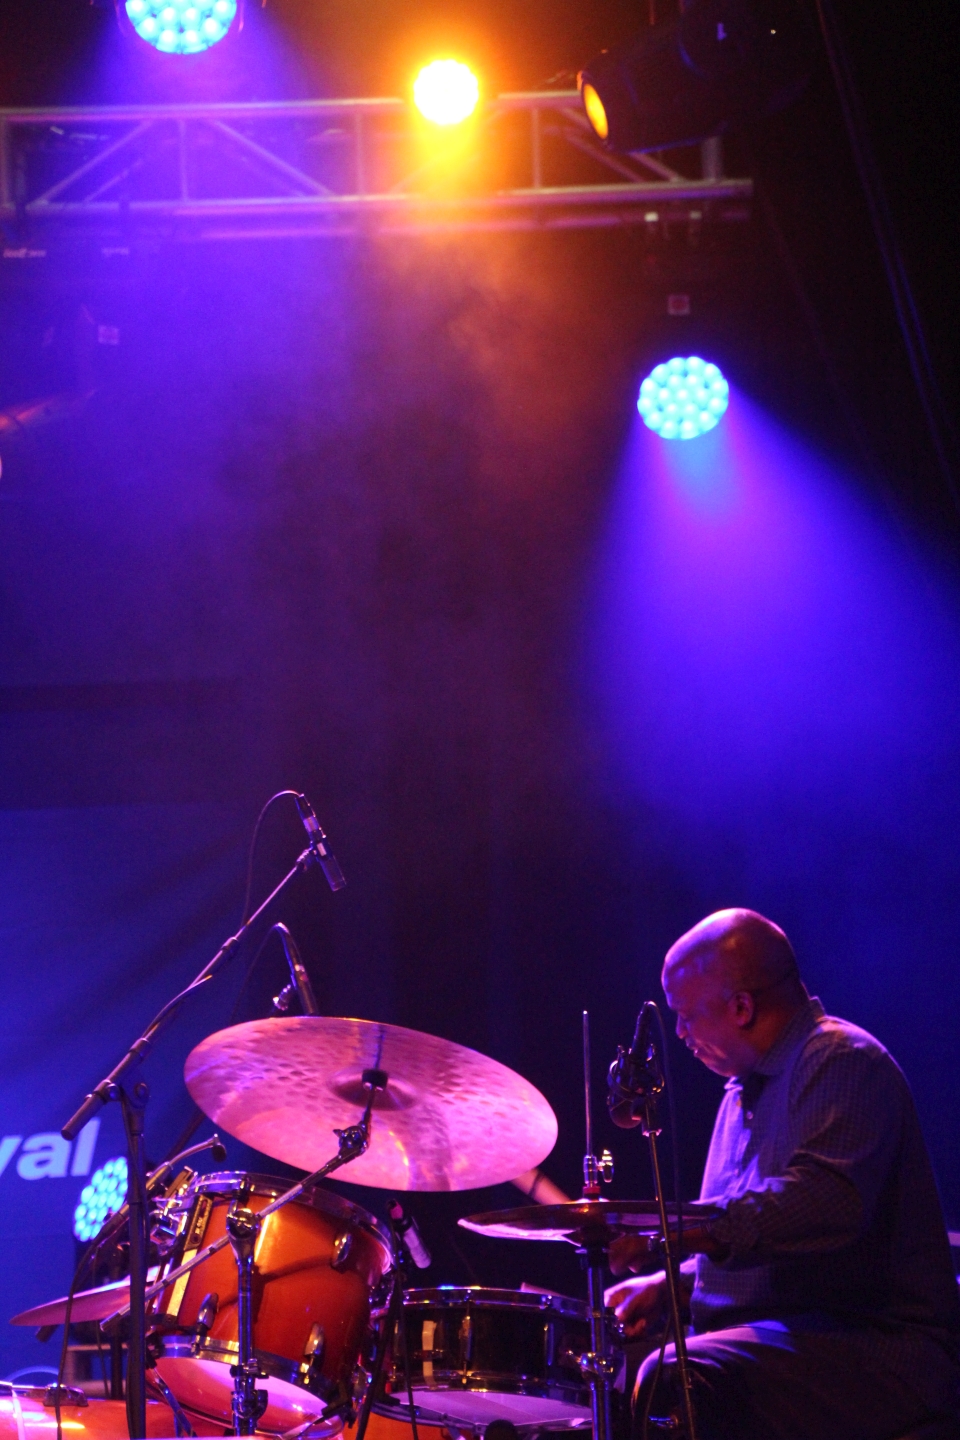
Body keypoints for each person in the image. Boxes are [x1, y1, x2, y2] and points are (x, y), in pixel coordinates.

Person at [605, 908, 960, 1440]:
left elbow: (823, 1203)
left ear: (742, 1007)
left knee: (674, 1375)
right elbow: (756, 1248)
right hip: (794, 1336)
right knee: (615, 1364)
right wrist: (673, 1284)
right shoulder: (739, 1093)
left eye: (686, 1015)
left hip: (877, 1347)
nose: (678, 1033)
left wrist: (680, 1233)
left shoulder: (842, 1060)